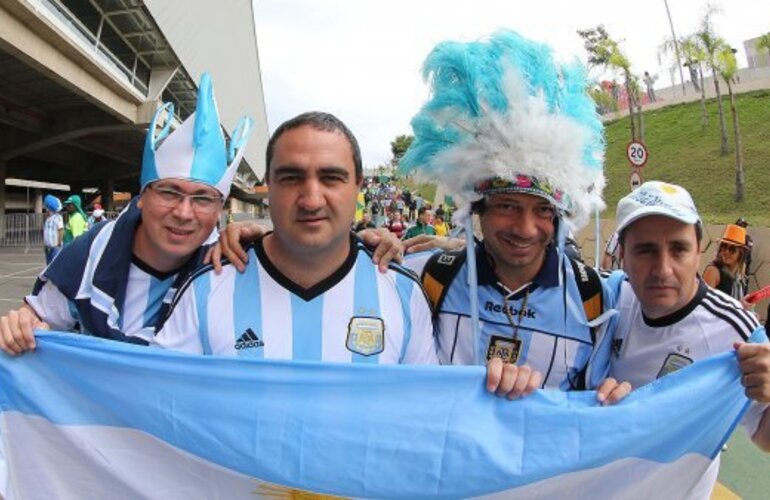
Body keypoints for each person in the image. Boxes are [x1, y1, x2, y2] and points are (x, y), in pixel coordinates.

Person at [397, 31, 625, 396]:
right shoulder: (427, 279)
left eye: (543, 210)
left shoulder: (597, 297)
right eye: (507, 206)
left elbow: (675, 315)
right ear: (478, 210)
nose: (526, 228)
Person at [152, 112, 438, 366]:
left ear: (358, 186)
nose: (311, 201)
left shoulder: (404, 293)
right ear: (269, 185)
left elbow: (426, 413)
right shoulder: (207, 287)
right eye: (291, 177)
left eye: (331, 178)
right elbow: (155, 402)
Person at [0, 73, 253, 353]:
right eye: (169, 192)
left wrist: (265, 243)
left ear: (220, 208)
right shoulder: (88, 256)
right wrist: (21, 326)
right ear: (142, 197)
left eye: (203, 198)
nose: (183, 212)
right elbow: (39, 318)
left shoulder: (230, 263)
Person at [606, 181, 770, 498]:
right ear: (623, 256)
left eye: (678, 249)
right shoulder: (608, 298)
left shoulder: (737, 331)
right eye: (646, 250)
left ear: (698, 253)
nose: (663, 269)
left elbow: (764, 435)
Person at [703, 224, 749, 303]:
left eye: (732, 249)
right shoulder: (713, 271)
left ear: (740, 254)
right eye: (723, 246)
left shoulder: (739, 277)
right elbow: (705, 303)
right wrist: (738, 307)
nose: (726, 252)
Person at [42, 194, 64, 265]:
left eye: (46, 206)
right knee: (48, 264)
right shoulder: (48, 219)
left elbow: (61, 230)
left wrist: (59, 243)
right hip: (47, 246)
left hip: (55, 246)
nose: (45, 208)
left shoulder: (58, 218)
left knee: (55, 264)